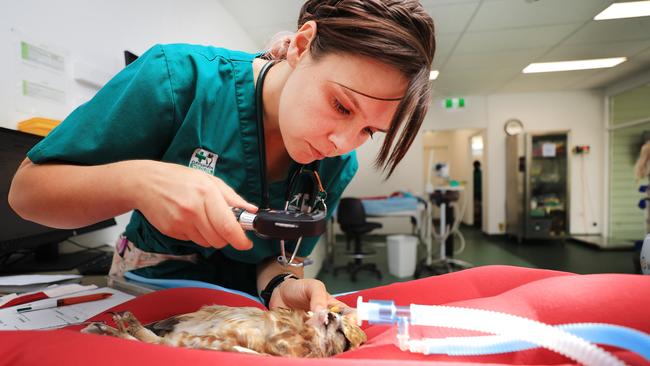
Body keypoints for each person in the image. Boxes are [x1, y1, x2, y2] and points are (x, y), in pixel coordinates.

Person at [8, 0, 435, 316]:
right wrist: (138, 179)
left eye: (368, 131)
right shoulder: (178, 80)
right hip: (144, 292)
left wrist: (283, 286)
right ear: (302, 45)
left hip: (245, 311)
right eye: (341, 106)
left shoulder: (337, 166)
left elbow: (283, 259)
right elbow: (27, 194)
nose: (341, 142)